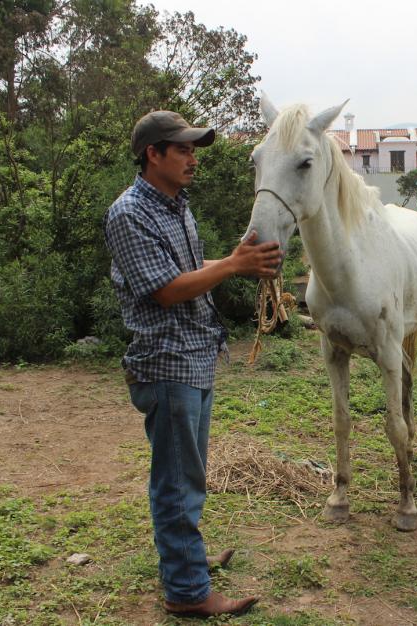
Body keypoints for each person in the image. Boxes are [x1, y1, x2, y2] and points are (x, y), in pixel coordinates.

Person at [104, 110, 283, 617]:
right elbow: (163, 290)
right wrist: (232, 266)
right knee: (177, 481)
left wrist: (230, 261)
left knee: (189, 474)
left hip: (194, 357)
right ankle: (187, 592)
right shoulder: (130, 213)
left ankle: (189, 559)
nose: (192, 157)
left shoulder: (175, 206)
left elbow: (184, 271)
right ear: (151, 154)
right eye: (181, 149)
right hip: (165, 363)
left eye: (193, 148)